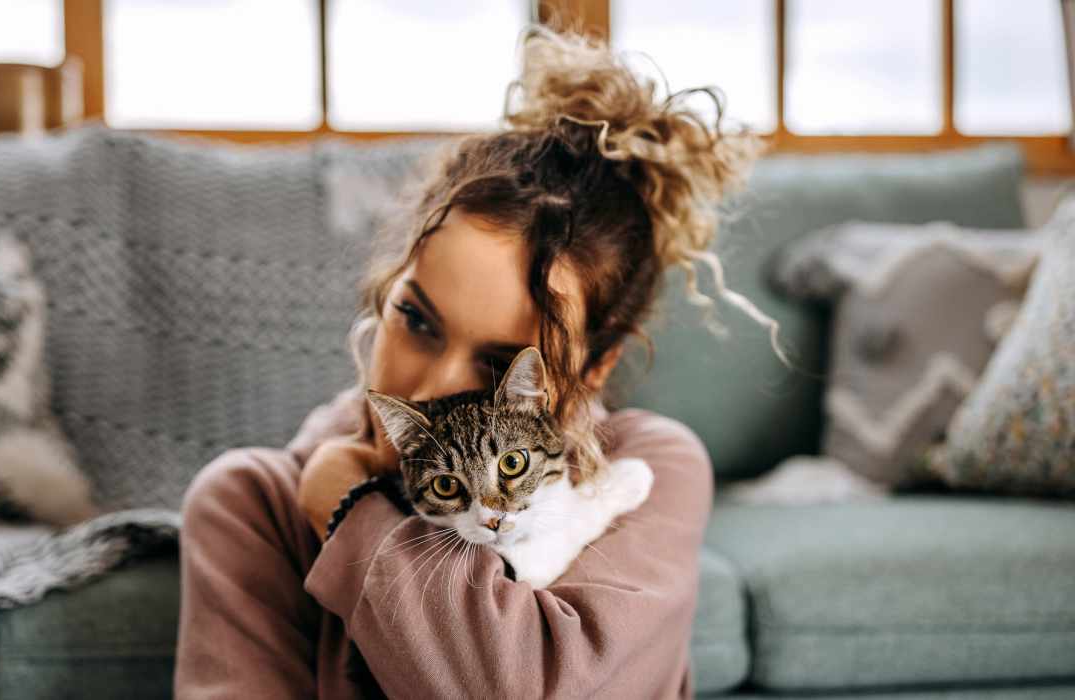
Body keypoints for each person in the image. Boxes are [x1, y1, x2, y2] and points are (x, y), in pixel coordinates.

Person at [174, 22, 782, 700]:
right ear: (386, 291)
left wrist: (348, 512)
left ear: (595, 370)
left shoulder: (653, 472)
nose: (431, 387)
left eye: (499, 366)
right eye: (417, 320)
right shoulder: (251, 505)